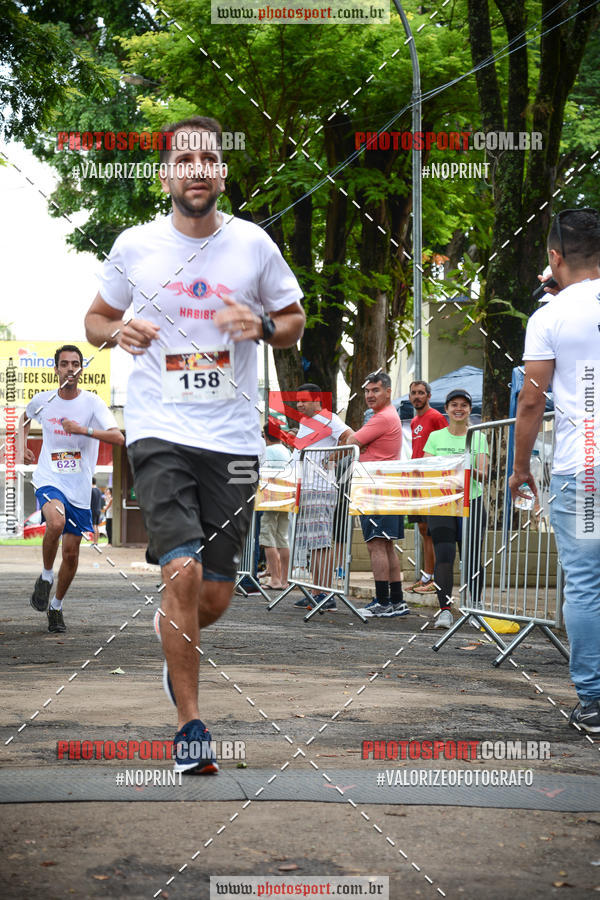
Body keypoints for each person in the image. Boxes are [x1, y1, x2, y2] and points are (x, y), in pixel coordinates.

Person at [84, 115, 305, 773]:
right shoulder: (135, 245)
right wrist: (117, 331)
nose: (197, 169)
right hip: (160, 431)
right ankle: (190, 727)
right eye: (184, 160)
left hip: (232, 440)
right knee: (178, 570)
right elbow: (95, 319)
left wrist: (260, 324)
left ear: (222, 173)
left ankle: (171, 635)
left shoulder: (254, 245)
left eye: (207, 158)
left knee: (212, 596)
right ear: (166, 177)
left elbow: (293, 320)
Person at [509, 207, 600, 734]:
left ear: (554, 256)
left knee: (585, 584)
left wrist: (520, 466)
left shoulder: (549, 317)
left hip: (583, 467)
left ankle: (594, 701)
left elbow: (530, 402)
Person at [23, 345, 124, 633]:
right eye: (65, 363)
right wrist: (22, 447)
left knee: (70, 554)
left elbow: (118, 438)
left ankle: (56, 607)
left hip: (79, 487)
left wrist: (83, 430)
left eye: (75, 364)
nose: (70, 368)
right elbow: (25, 418)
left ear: (81, 369)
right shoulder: (44, 400)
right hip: (49, 478)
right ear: (56, 369)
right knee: (55, 522)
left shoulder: (92, 403)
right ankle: (46, 576)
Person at [423, 389, 488, 629]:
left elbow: (484, 475)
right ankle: (445, 611)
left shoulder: (478, 437)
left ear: (470, 410)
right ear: (447, 409)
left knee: (471, 557)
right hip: (443, 504)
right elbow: (427, 470)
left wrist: (468, 467)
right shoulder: (435, 437)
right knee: (444, 556)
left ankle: (475, 609)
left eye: (463, 405)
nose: (459, 409)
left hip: (472, 502)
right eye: (454, 405)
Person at [345, 372, 409, 618]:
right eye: (367, 391)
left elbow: (351, 442)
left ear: (388, 392)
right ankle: (396, 600)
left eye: (376, 390)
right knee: (386, 545)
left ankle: (383, 601)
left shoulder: (382, 418)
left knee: (376, 545)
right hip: (385, 487)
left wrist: (354, 441)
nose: (370, 395)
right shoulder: (387, 415)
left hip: (377, 489)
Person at [291, 383, 353, 612]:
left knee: (322, 543)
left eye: (304, 400)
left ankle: (326, 594)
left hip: (320, 488)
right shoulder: (305, 422)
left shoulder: (329, 419)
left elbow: (352, 437)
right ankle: (315, 592)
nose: (299, 404)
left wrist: (333, 457)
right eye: (298, 400)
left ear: (317, 400)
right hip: (306, 488)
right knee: (313, 543)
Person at [407, 380, 447, 594]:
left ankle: (435, 577)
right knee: (423, 529)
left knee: (432, 530)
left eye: (421, 393)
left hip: (431, 481)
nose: (417, 396)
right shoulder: (414, 421)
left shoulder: (436, 417)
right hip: (416, 481)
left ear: (429, 396)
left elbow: (446, 443)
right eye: (413, 393)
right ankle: (426, 576)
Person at [259, 423, 292, 590]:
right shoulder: (287, 451)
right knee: (282, 538)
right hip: (286, 497)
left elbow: (261, 473)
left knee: (267, 538)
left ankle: (275, 579)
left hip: (270, 497)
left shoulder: (267, 451)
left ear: (265, 436)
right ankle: (285, 580)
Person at [90, 478, 103, 544]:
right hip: (98, 509)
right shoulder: (99, 490)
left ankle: (94, 542)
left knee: (94, 525)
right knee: (97, 526)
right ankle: (96, 541)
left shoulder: (91, 490)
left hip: (93, 509)